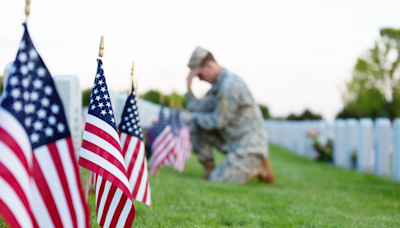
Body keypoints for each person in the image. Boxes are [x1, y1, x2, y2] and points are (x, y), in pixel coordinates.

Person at [185, 46, 276, 184]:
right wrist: (189, 89)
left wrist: (194, 118)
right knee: (196, 126)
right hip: (232, 140)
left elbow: (218, 121)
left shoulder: (229, 85)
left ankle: (258, 168)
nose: (200, 80)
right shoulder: (217, 86)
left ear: (209, 65)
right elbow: (198, 111)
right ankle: (210, 170)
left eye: (200, 75)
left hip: (249, 145)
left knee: (218, 180)